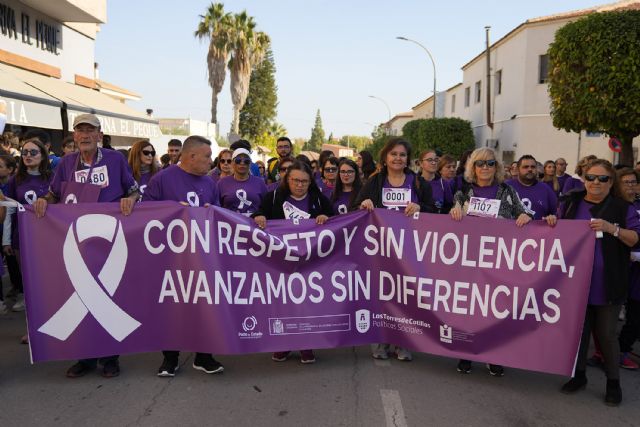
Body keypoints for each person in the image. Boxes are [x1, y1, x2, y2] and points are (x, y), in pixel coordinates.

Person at [34, 113, 139, 379]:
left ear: (99, 135)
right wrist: (44, 201)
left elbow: (134, 190)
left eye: (90, 131)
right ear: (74, 136)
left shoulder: (115, 160)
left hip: (108, 239)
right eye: (80, 131)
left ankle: (111, 358)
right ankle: (86, 357)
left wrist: (131, 200)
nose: (84, 135)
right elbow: (53, 193)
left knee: (109, 294)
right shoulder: (67, 162)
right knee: (80, 295)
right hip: (77, 241)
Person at [558, 159, 640, 406]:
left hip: (608, 282)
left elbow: (635, 238)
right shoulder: (571, 203)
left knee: (606, 335)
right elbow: (557, 234)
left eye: (602, 178)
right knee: (579, 333)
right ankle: (579, 375)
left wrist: (611, 229)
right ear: (583, 179)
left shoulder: (622, 208)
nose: (595, 182)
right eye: (591, 177)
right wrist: (552, 222)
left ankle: (613, 383)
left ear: (611, 181)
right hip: (575, 281)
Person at [143, 135, 224, 377]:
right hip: (171, 257)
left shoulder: (211, 183)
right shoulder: (162, 179)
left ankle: (204, 355)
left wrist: (213, 213)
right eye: (208, 156)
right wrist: (169, 210)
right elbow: (145, 211)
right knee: (172, 306)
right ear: (191, 157)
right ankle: (170, 358)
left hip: (202, 255)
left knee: (205, 305)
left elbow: (219, 213)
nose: (212, 161)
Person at [450, 147, 534, 377]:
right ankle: (466, 352)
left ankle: (493, 355)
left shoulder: (507, 190)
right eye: (480, 164)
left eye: (489, 163)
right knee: (470, 309)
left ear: (496, 167)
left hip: (498, 262)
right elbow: (452, 217)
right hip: (470, 262)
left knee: (495, 310)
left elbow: (524, 214)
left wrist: (526, 217)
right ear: (472, 167)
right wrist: (455, 209)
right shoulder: (464, 192)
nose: (485, 168)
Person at [355, 137, 436, 361]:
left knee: (405, 297)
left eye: (402, 154)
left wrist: (421, 207)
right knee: (381, 297)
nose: (398, 158)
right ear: (385, 157)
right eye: (394, 154)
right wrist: (365, 205)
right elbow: (357, 207)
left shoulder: (419, 183)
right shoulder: (375, 182)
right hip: (380, 250)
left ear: (408, 159)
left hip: (410, 250)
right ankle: (380, 340)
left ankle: (403, 343)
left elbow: (435, 212)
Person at [253, 160, 333, 364]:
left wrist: (326, 217)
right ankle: (284, 344)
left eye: (304, 181)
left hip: (309, 262)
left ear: (310, 182)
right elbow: (258, 214)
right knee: (283, 304)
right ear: (286, 179)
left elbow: (334, 222)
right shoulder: (273, 197)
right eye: (295, 180)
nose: (299, 185)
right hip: (280, 260)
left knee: (307, 304)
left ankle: (307, 344)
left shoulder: (317, 199)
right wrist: (259, 217)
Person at [3, 138, 51, 340]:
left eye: (33, 152)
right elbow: (9, 211)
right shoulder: (16, 180)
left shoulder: (53, 178)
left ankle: (53, 325)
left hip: (49, 238)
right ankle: (33, 329)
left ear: (43, 155)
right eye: (24, 153)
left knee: (50, 284)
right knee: (30, 285)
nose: (28, 156)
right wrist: (6, 239)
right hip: (21, 238)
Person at [612, 168, 640, 370]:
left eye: (633, 182)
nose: (630, 186)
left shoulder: (636, 206)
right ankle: (616, 352)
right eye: (626, 182)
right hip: (622, 269)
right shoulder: (615, 207)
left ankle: (622, 349)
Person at [217, 148, 267, 216]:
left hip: (254, 225)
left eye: (246, 161)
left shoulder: (260, 183)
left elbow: (267, 207)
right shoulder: (222, 183)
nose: (242, 163)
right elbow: (216, 206)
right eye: (238, 160)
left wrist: (260, 215)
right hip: (229, 225)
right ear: (232, 163)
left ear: (250, 164)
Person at [505, 155, 557, 220]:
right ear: (518, 170)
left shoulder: (546, 190)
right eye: (525, 167)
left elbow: (555, 214)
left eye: (533, 167)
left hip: (538, 229)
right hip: (510, 229)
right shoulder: (506, 187)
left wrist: (552, 217)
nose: (530, 169)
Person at [419, 149, 453, 214]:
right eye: (429, 160)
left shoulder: (444, 184)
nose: (434, 163)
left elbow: (449, 206)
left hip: (437, 222)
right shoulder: (414, 182)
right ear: (421, 163)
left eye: (436, 160)